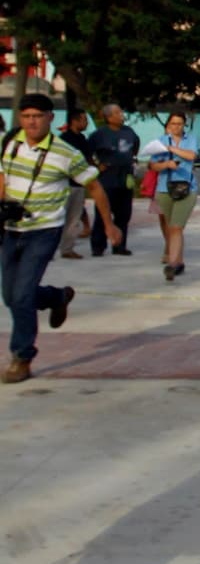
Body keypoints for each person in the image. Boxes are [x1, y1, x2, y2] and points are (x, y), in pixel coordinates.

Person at [1, 93, 120, 383]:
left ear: (50, 119)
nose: (32, 122)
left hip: (43, 231)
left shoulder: (65, 153)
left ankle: (22, 356)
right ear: (20, 118)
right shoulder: (10, 143)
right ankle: (56, 297)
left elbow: (94, 188)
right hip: (10, 228)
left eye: (38, 116)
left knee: (23, 295)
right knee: (10, 295)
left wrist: (108, 225)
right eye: (27, 116)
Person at [148, 111, 199, 281]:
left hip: (187, 188)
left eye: (179, 124)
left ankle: (172, 263)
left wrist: (172, 149)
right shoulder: (160, 141)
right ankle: (179, 261)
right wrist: (166, 164)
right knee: (171, 227)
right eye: (173, 124)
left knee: (177, 226)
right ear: (168, 125)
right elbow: (153, 165)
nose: (176, 127)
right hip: (165, 188)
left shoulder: (189, 139)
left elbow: (191, 155)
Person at [87, 103, 140, 256]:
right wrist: (97, 166)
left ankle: (120, 245)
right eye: (117, 113)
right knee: (102, 212)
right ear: (108, 117)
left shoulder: (129, 132)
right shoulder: (99, 134)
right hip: (107, 177)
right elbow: (88, 153)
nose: (121, 115)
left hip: (125, 177)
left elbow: (135, 145)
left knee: (124, 213)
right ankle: (98, 246)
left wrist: (132, 159)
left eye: (121, 112)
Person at [58, 109, 93, 259]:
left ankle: (67, 248)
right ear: (74, 120)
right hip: (64, 183)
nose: (86, 123)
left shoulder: (83, 139)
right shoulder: (64, 139)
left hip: (79, 184)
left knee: (74, 218)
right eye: (84, 120)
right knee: (59, 217)